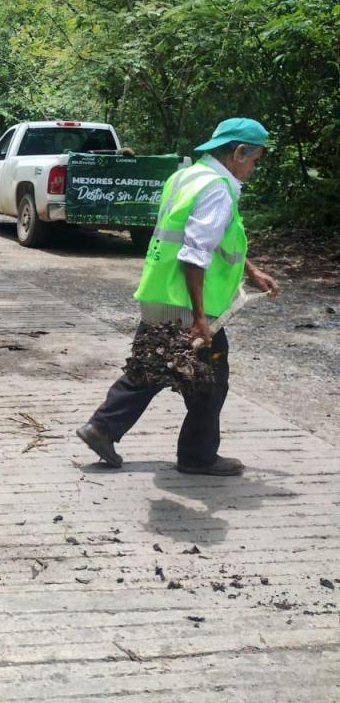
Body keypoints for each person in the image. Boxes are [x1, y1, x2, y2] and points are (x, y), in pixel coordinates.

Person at [76, 118, 280, 476]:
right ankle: (198, 456)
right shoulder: (217, 188)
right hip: (187, 303)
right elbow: (194, 253)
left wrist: (251, 270)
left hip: (159, 292)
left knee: (152, 365)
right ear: (239, 152)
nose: (254, 167)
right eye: (255, 159)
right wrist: (201, 318)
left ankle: (102, 428)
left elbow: (211, 236)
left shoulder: (187, 176)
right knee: (209, 380)